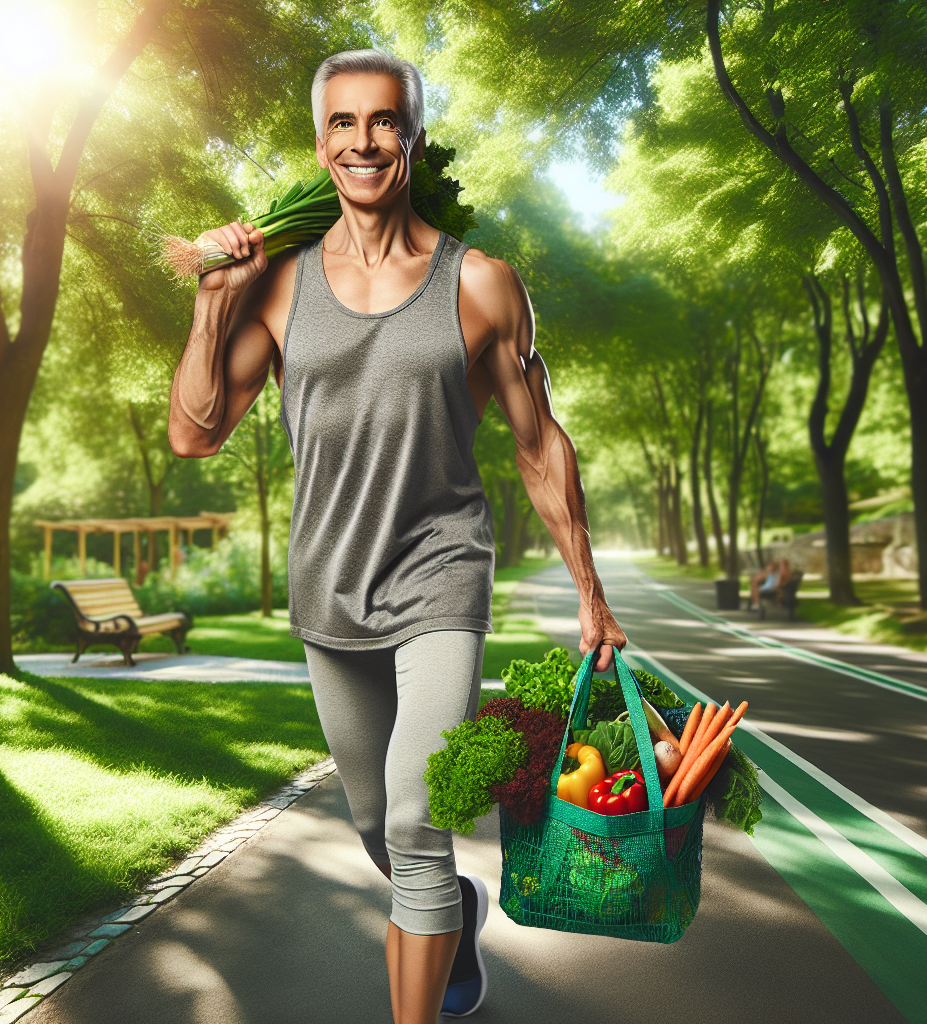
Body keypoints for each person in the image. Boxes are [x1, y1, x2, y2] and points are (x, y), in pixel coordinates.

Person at [167, 49, 627, 1024]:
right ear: (320, 141)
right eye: (343, 123)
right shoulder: (281, 286)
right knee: (378, 824)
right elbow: (195, 431)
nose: (364, 141)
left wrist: (592, 594)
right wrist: (212, 304)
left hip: (440, 578)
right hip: (327, 584)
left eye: (384, 122)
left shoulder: (483, 284)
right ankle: (452, 910)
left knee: (417, 822)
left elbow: (540, 445)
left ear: (412, 135)